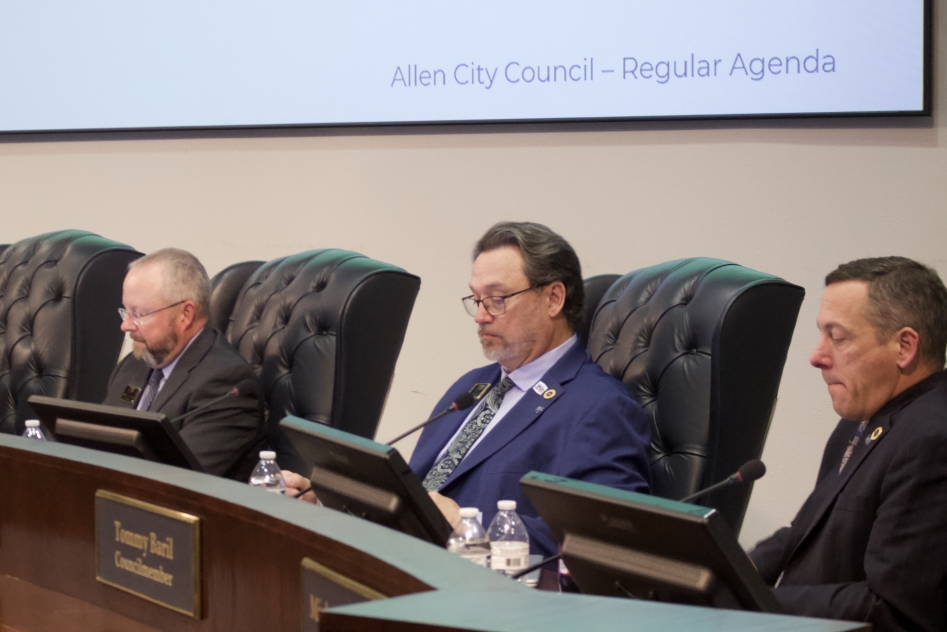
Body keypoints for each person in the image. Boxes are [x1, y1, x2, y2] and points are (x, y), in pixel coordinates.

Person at [286, 222, 651, 555]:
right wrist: (331, 501)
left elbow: (606, 547)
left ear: (553, 298)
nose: (480, 316)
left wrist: (469, 527)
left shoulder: (600, 408)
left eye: (497, 299)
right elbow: (413, 500)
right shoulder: (471, 387)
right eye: (476, 299)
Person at [749, 257, 947, 632]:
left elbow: (894, 611)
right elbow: (806, 529)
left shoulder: (936, 445)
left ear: (904, 347)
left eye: (839, 337)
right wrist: (723, 569)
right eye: (821, 334)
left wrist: (751, 599)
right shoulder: (864, 422)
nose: (817, 356)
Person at [103, 248, 266, 480]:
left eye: (138, 314)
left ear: (185, 314)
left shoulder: (227, 385)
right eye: (125, 312)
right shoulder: (135, 363)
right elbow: (98, 442)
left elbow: (179, 479)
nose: (126, 326)